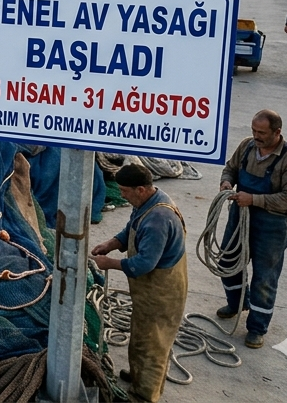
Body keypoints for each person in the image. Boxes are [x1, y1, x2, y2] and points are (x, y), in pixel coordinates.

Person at [91, 164, 187, 403]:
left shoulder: (158, 219)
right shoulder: (149, 201)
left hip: (162, 290)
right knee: (141, 335)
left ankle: (144, 395)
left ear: (141, 189)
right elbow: (131, 228)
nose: (121, 195)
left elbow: (144, 264)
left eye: (124, 191)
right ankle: (138, 376)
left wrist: (109, 263)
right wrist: (112, 243)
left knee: (152, 344)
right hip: (152, 289)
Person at [218, 110, 287, 349]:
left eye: (262, 133)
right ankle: (236, 304)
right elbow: (230, 168)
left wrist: (254, 199)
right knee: (228, 262)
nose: (256, 136)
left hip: (272, 225)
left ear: (277, 132)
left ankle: (257, 328)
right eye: (254, 130)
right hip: (240, 215)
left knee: (264, 277)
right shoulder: (247, 146)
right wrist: (226, 181)